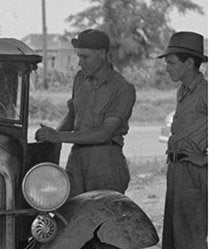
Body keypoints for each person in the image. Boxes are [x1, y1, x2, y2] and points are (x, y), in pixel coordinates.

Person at [155, 31, 209, 249]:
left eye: (172, 62)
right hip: (176, 173)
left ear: (190, 62)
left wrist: (204, 157)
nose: (167, 68)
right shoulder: (184, 92)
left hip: (194, 174)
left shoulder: (207, 92)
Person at [34, 28, 135, 196]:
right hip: (77, 160)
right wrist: (50, 137)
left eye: (85, 57)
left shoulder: (123, 88)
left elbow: (104, 134)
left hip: (105, 163)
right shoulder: (80, 78)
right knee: (71, 214)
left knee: (103, 215)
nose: (80, 62)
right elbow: (72, 114)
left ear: (102, 54)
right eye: (79, 56)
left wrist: (59, 137)